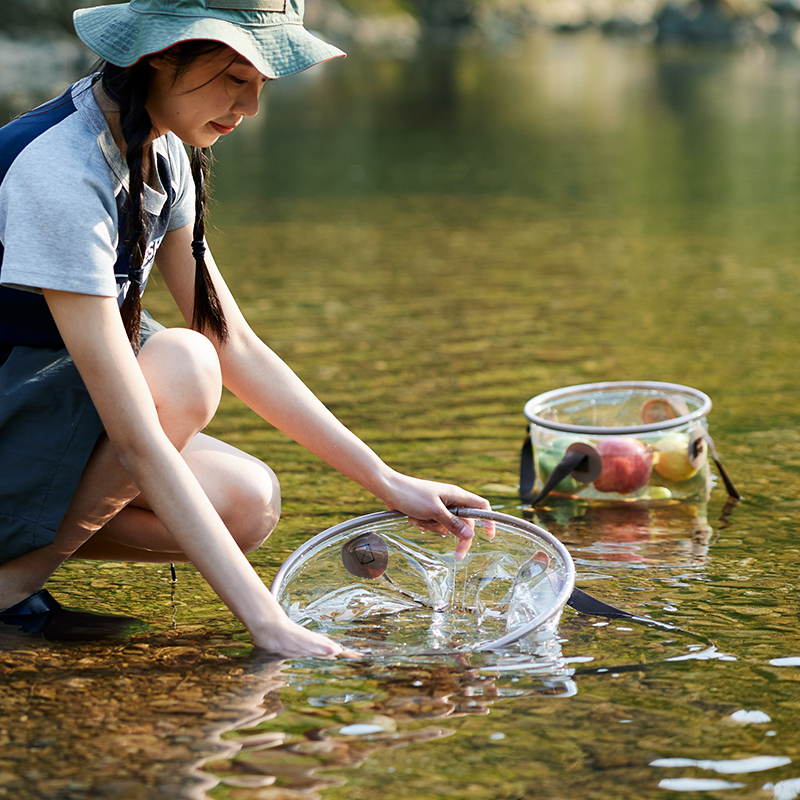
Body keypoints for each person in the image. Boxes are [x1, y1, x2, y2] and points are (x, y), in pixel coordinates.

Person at [0, 0, 491, 657]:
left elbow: (232, 340)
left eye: (261, 85)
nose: (249, 109)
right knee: (182, 365)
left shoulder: (162, 148)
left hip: (38, 398)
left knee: (248, 502)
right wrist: (268, 623)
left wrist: (390, 481)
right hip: (22, 399)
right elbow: (137, 436)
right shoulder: (60, 171)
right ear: (158, 54)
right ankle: (13, 587)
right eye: (235, 78)